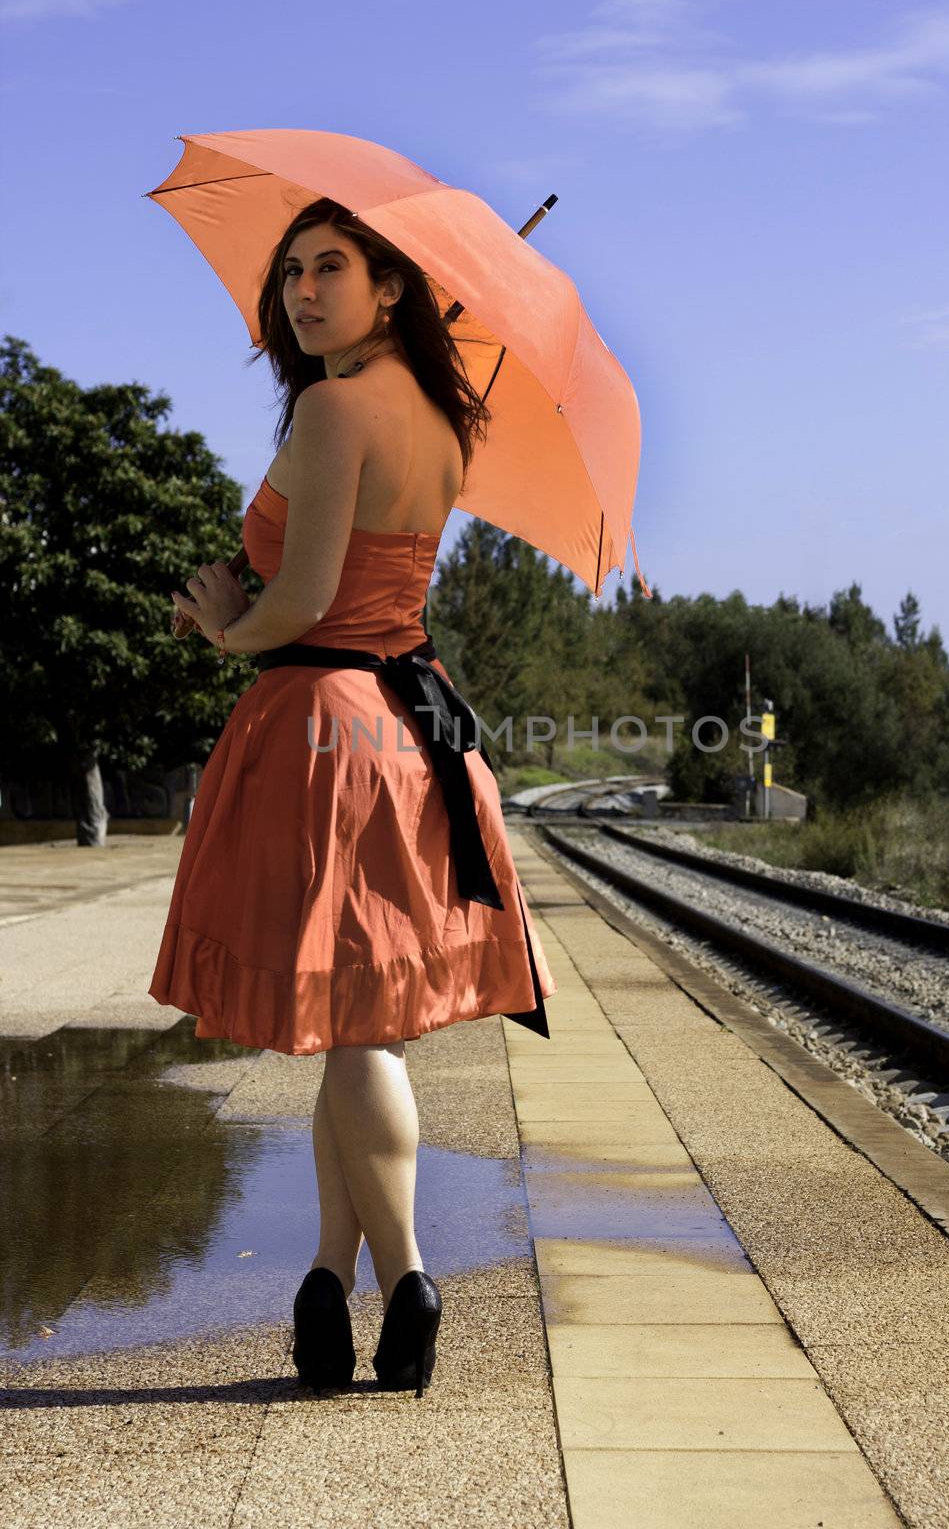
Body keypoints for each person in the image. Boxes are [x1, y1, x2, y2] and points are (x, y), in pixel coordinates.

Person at [152, 197, 557, 1399]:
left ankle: (410, 1278)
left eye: (331, 268)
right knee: (340, 1022)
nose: (301, 292)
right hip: (410, 724)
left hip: (328, 731)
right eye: (290, 274)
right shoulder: (435, 418)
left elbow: (303, 602)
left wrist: (225, 626)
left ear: (391, 288)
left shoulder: (333, 407)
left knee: (357, 1027)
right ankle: (327, 1281)